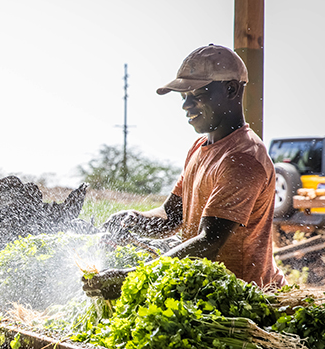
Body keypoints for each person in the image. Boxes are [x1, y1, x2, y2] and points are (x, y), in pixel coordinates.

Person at [83, 44, 286, 299]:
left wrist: (133, 278)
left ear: (231, 89)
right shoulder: (200, 148)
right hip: (202, 293)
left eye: (197, 94)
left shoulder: (243, 159)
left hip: (238, 300)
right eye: (183, 97)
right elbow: (172, 214)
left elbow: (209, 242)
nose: (186, 105)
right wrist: (134, 218)